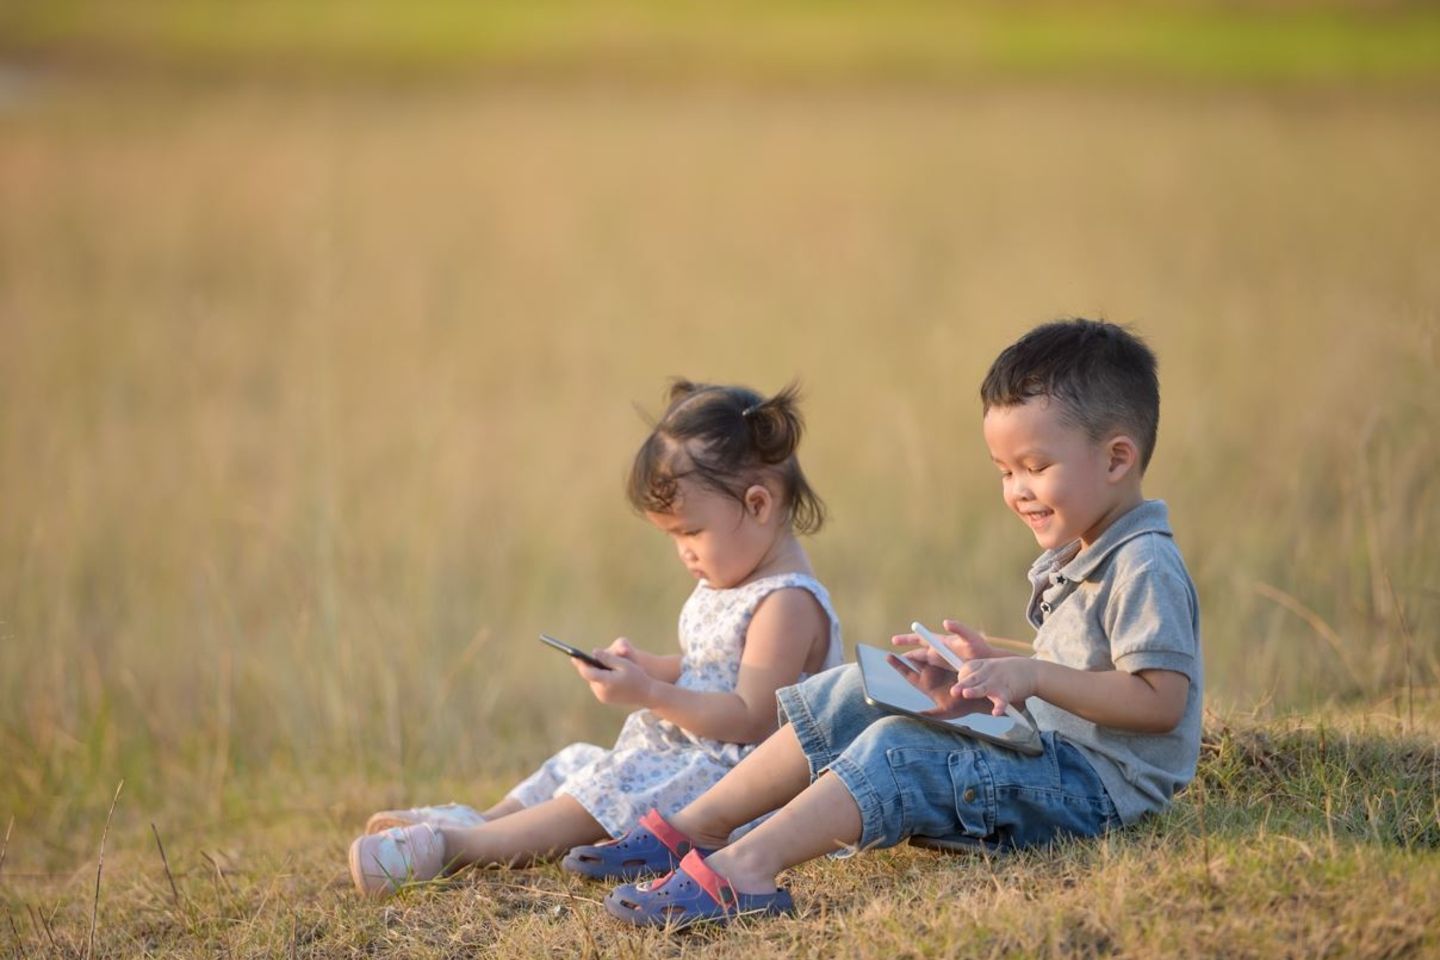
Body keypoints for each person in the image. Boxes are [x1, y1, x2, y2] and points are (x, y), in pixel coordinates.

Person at [593, 319, 1203, 927]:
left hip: (1092, 794)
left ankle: (743, 871)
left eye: (1035, 467)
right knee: (869, 684)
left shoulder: (1143, 562)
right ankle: (695, 827)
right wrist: (982, 671)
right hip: (1049, 751)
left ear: (1117, 458)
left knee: (898, 747)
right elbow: (1077, 676)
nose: (1017, 490)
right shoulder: (1086, 546)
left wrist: (1031, 676)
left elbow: (1159, 702)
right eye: (1004, 471)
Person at [348, 380, 844, 897]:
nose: (683, 552)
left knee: (604, 793)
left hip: (732, 789)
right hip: (688, 754)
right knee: (576, 764)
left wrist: (650, 694)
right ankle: (482, 819)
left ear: (758, 505)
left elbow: (750, 717)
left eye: (691, 532)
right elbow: (710, 665)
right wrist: (650, 668)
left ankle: (452, 849)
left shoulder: (786, 603)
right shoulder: (736, 579)